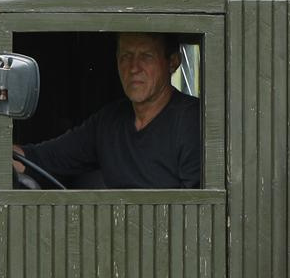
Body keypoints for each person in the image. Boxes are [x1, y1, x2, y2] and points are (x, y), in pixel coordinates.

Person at [12, 32, 203, 189]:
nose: (134, 68)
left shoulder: (192, 121)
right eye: (126, 56)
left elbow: (199, 210)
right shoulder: (110, 121)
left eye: (146, 56)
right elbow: (43, 158)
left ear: (173, 62)